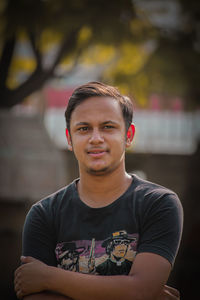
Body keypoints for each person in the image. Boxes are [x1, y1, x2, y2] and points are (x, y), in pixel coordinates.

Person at [14, 81, 183, 300]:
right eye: (84, 128)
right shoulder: (44, 215)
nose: (96, 138)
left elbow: (141, 290)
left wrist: (49, 277)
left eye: (108, 127)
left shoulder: (159, 204)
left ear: (128, 135)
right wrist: (129, 291)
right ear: (69, 138)